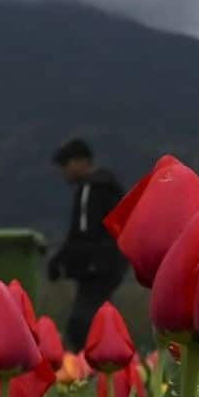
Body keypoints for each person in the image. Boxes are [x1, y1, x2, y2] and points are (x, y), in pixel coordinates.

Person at [46, 139, 128, 350]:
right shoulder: (110, 186)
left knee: (81, 325)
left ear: (82, 162)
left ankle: (87, 367)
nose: (64, 172)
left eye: (66, 165)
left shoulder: (91, 189)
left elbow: (83, 233)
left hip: (95, 267)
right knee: (99, 318)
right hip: (113, 264)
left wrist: (60, 261)